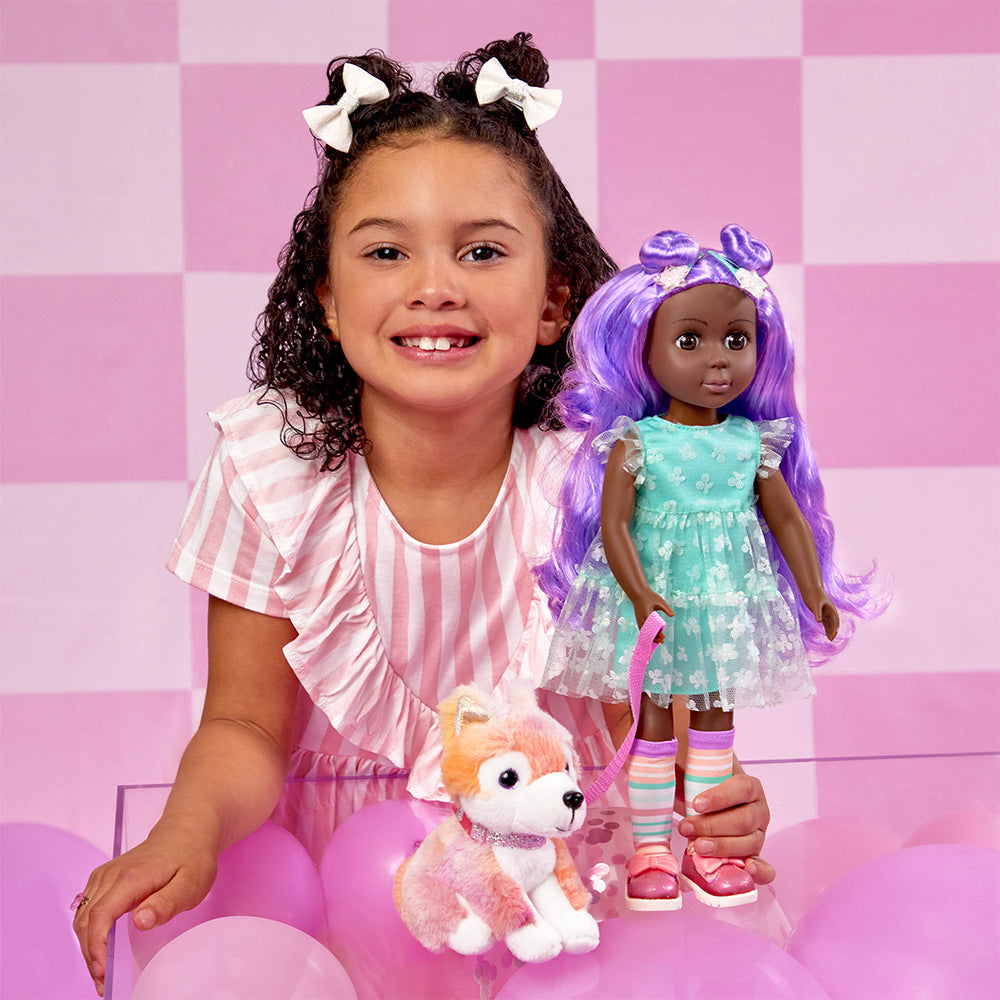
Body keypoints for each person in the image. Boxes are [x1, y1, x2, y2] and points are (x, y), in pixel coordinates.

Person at [73, 38, 775, 997]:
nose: (434, 285)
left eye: (482, 251)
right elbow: (243, 721)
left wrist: (707, 792)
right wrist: (185, 831)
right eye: (386, 251)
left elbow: (642, 707)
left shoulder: (596, 478)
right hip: (344, 885)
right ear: (328, 299)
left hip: (561, 870)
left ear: (554, 302)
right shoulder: (272, 474)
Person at [537, 225, 887, 911]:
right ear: (644, 349)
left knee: (714, 725)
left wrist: (814, 590)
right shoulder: (635, 442)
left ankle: (704, 850)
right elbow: (613, 528)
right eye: (690, 340)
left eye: (736, 339)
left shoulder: (752, 443)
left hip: (724, 603)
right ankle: (650, 852)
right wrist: (640, 594)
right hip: (657, 607)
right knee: (651, 726)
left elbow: (787, 520)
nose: (718, 360)